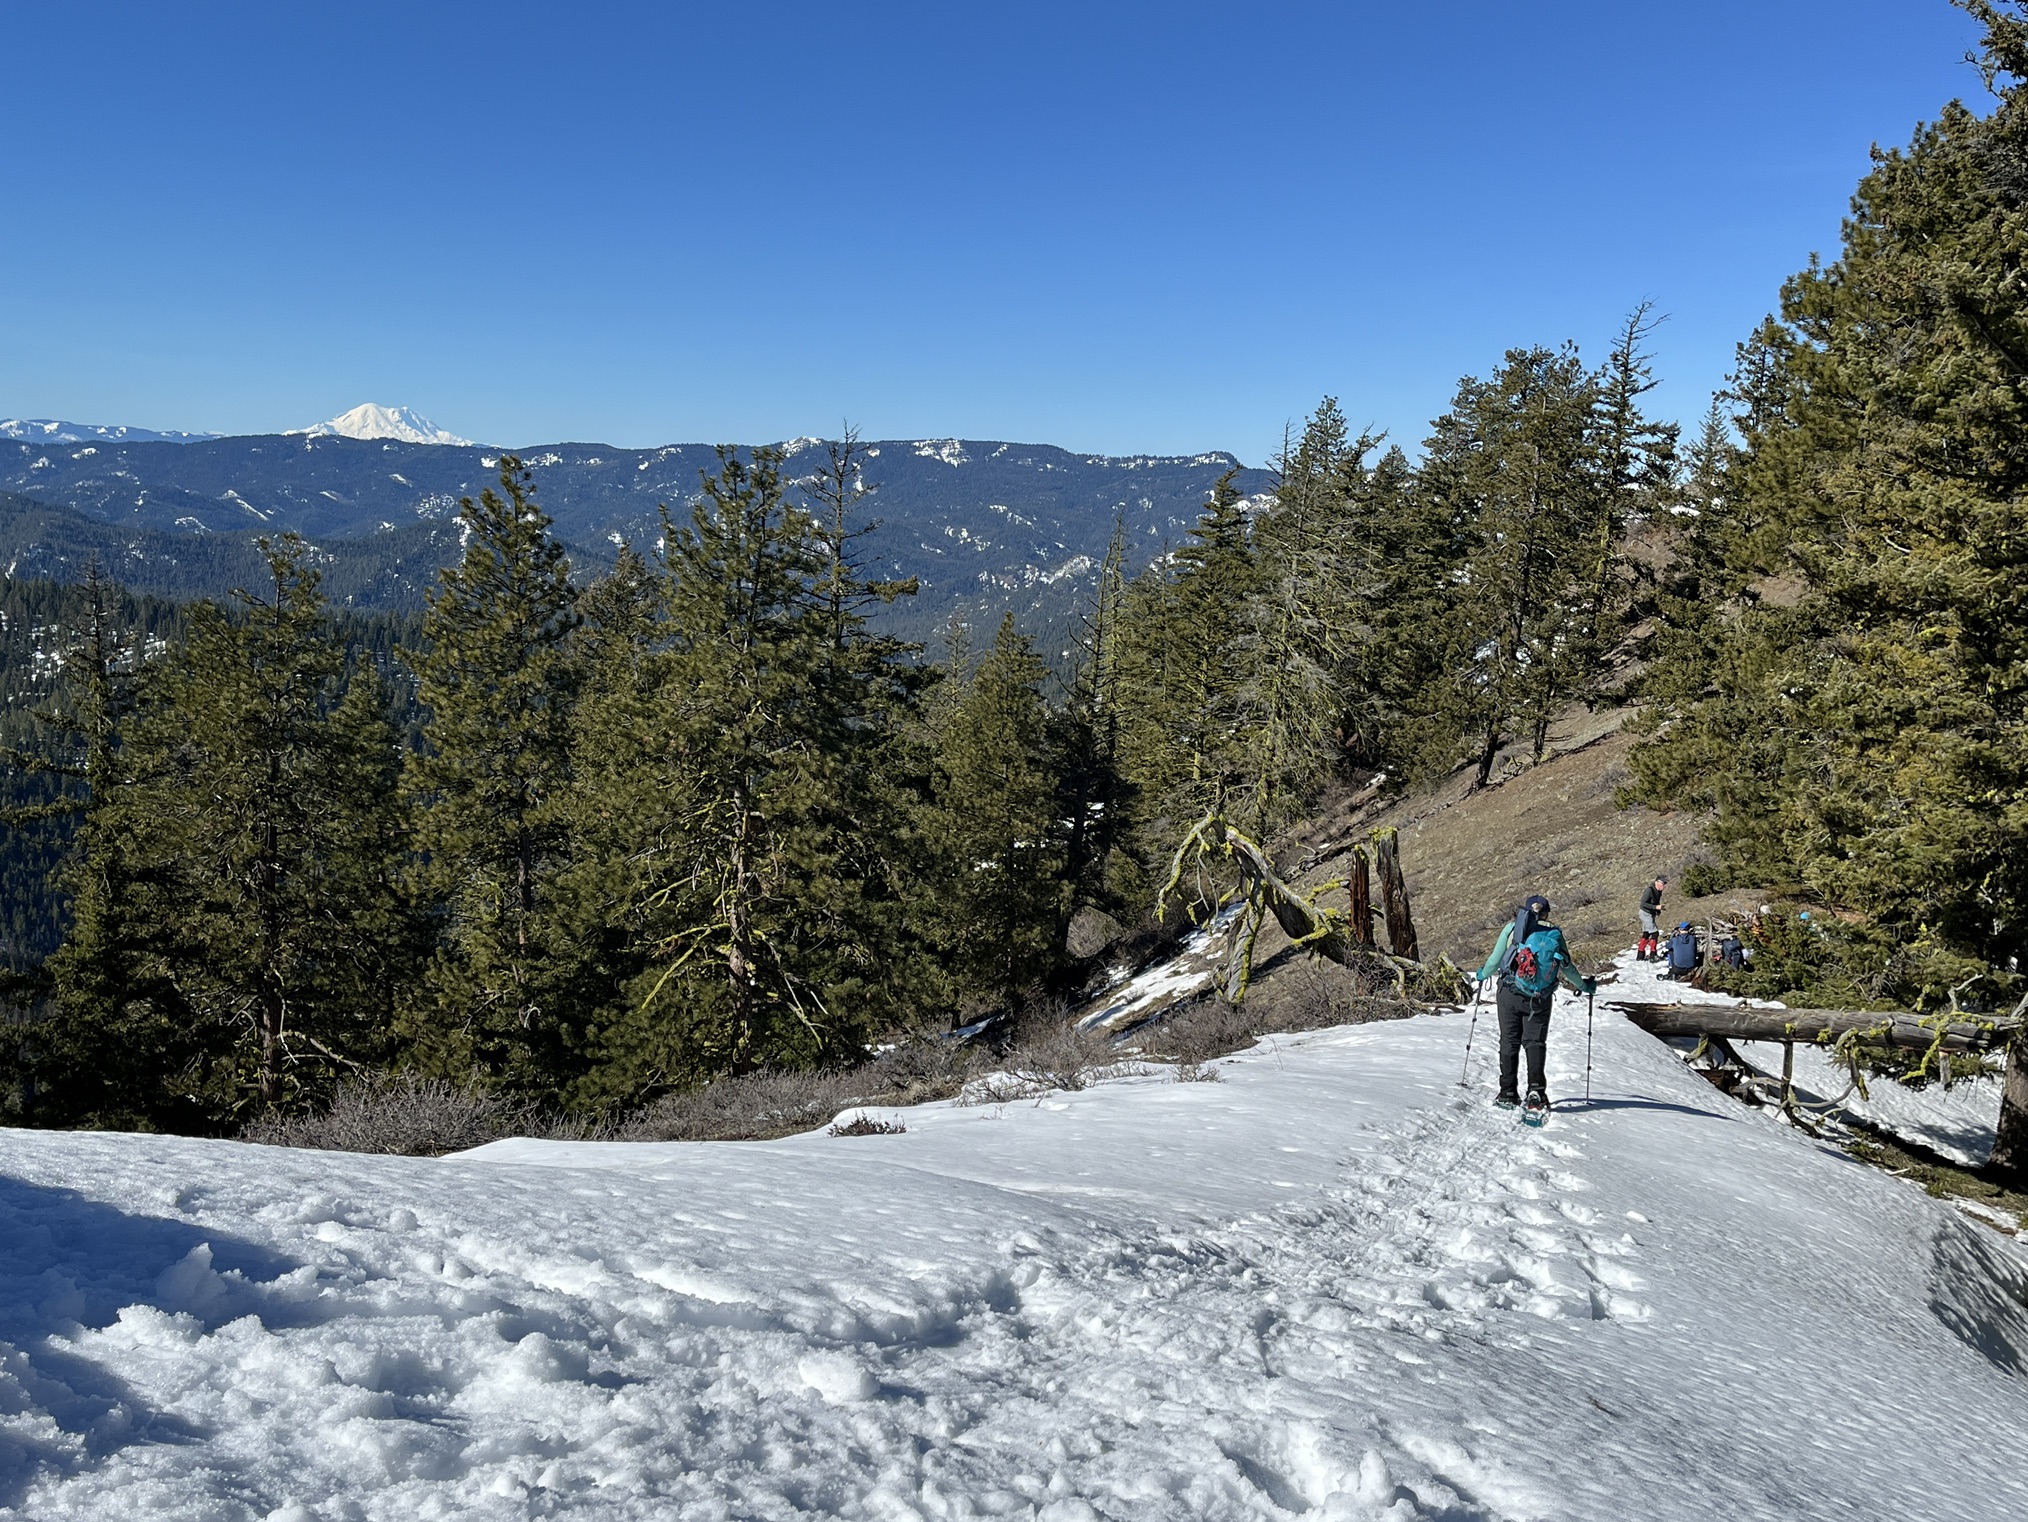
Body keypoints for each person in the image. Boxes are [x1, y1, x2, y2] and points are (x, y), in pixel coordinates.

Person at [1474, 893, 1596, 1112]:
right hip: (1539, 999)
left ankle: (1508, 1092)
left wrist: (1483, 974)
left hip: (1509, 993)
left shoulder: (1513, 929)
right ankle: (1536, 1092)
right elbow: (1567, 967)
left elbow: (1494, 961)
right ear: (1547, 913)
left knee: (1509, 1041)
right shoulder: (1554, 934)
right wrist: (1585, 986)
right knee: (1535, 1043)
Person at [1636, 876, 1668, 961]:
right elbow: (1643, 904)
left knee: (1646, 933)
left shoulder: (1658, 891)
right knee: (1655, 933)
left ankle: (1640, 954)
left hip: (1650, 913)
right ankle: (1653, 955)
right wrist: (1655, 907)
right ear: (1657, 882)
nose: (1664, 886)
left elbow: (1656, 901)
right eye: (1663, 883)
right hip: (1645, 913)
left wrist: (1657, 910)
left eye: (1665, 884)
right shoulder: (1649, 890)